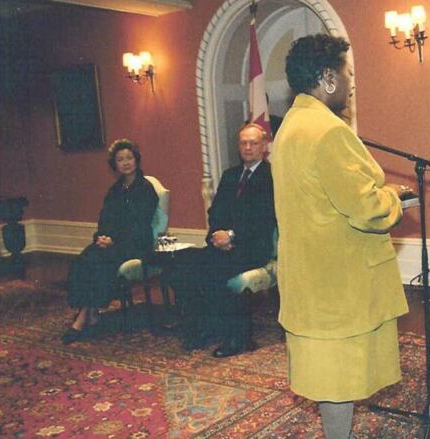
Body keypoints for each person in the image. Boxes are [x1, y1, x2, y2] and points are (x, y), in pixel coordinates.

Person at [271, 34, 410, 439]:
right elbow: (367, 209)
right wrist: (395, 199)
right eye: (348, 74)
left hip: (310, 278)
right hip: (338, 284)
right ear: (328, 78)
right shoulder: (328, 131)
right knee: (337, 380)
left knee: (330, 379)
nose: (351, 83)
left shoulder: (291, 127)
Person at [168, 122, 276, 358]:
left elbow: (264, 219)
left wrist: (232, 236)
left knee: (219, 269)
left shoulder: (271, 178)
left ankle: (238, 337)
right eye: (243, 143)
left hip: (252, 247)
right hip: (222, 244)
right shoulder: (230, 176)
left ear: (264, 146)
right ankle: (204, 328)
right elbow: (214, 213)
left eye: (253, 143)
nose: (247, 147)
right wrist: (217, 235)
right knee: (184, 262)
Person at [62, 139, 158, 344]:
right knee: (86, 257)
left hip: (136, 243)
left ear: (136, 160)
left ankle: (81, 319)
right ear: (115, 164)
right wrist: (102, 237)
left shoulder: (145, 188)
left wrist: (114, 241)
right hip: (113, 243)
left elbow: (139, 224)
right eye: (120, 159)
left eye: (129, 158)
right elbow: (104, 219)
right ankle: (92, 313)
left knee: (100, 260)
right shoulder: (114, 190)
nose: (125, 163)